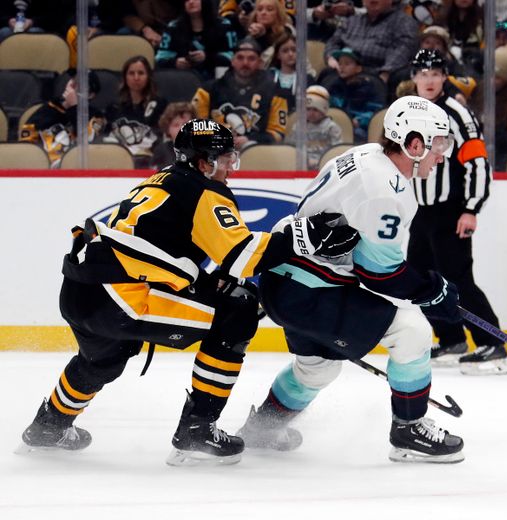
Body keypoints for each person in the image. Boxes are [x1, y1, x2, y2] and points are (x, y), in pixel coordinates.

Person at [18, 119, 359, 466]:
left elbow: (164, 251)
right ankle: (197, 430)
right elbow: (241, 256)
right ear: (203, 161)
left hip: (82, 289)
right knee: (237, 311)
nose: (230, 168)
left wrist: (213, 284)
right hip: (123, 298)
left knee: (102, 359)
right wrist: (306, 238)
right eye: (225, 159)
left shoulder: (163, 179)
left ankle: (48, 427)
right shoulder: (205, 191)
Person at [236, 95, 466, 464]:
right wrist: (432, 293)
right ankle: (409, 430)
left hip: (286, 280)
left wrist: (424, 288)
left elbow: (361, 257)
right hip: (309, 289)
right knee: (413, 332)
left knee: (318, 369)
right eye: (438, 144)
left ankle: (263, 428)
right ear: (413, 143)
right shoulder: (386, 189)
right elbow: (380, 273)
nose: (443, 154)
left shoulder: (367, 155)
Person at [404, 49, 507, 376]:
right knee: (419, 279)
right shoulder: (411, 111)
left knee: (458, 279)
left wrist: (470, 209)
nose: (429, 80)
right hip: (425, 211)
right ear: (414, 77)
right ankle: (451, 338)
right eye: (423, 74)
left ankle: (491, 344)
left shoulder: (458, 114)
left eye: (435, 73)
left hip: (452, 210)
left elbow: (477, 162)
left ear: (444, 77)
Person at [192, 36, 289, 149]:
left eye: (251, 58)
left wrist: (251, 140)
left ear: (260, 63)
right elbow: (195, 126)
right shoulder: (207, 90)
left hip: (255, 152)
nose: (245, 63)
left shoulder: (275, 92)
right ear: (232, 61)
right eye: (240, 58)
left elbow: (278, 133)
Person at [18, 69, 106, 168]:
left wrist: (74, 107)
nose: (73, 85)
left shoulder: (97, 116)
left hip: (78, 168)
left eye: (81, 85)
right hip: (44, 168)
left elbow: (88, 140)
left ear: (90, 95)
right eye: (73, 80)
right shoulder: (46, 110)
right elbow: (25, 142)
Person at [324, 0, 419, 83]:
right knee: (326, 75)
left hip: (377, 73)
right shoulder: (351, 21)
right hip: (344, 70)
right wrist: (331, 57)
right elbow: (333, 42)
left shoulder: (403, 21)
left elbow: (404, 48)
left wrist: (386, 72)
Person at [105, 55, 168, 168]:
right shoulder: (114, 107)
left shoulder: (160, 105)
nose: (136, 77)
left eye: (141, 73)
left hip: (149, 162)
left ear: (148, 76)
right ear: (125, 77)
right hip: (118, 162)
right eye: (131, 73)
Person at [155, 0, 238, 80]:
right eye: (187, 0)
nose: (191, 2)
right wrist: (175, 63)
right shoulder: (173, 27)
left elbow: (234, 57)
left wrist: (207, 57)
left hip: (217, 79)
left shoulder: (224, 25)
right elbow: (160, 59)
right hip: (182, 79)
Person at [326, 47, 385, 143]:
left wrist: (359, 121)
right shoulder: (334, 87)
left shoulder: (369, 88)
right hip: (336, 126)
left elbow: (375, 112)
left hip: (359, 130)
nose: (342, 67)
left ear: (358, 68)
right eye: (340, 63)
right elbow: (329, 108)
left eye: (347, 63)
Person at [285, 85, 344, 169]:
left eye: (315, 110)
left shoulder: (331, 128)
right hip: (302, 167)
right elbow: (290, 148)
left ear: (324, 109)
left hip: (326, 166)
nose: (311, 113)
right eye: (308, 109)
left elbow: (337, 151)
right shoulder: (298, 127)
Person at [267, 32, 316, 111]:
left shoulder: (307, 79)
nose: (290, 54)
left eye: (294, 50)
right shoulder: (268, 77)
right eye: (285, 51)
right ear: (278, 55)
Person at [150, 100, 196, 169]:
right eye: (176, 125)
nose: (181, 128)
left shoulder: (202, 149)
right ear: (167, 129)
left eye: (185, 124)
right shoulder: (161, 150)